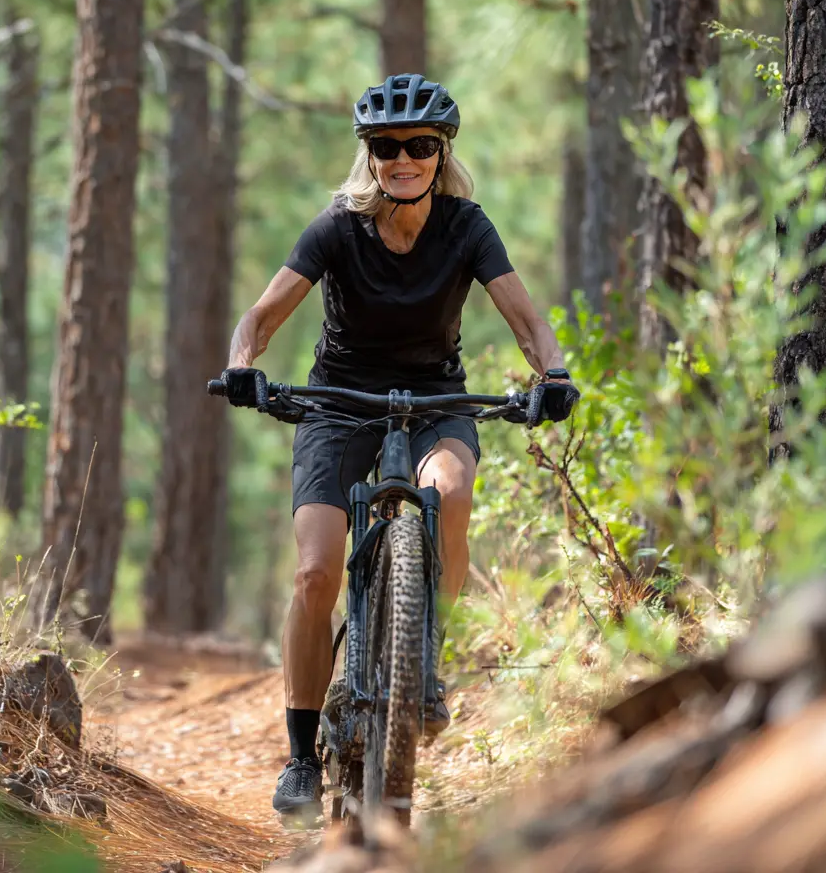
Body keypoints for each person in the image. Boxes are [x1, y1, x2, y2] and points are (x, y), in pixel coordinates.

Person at [219, 73, 579, 817]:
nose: (403, 159)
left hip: (437, 402)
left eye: (420, 145)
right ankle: (299, 756)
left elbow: (526, 318)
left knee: (448, 491)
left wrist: (553, 370)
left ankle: (420, 662)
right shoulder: (336, 228)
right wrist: (241, 367)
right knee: (316, 571)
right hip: (338, 404)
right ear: (371, 156)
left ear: (442, 153)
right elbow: (259, 316)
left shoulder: (466, 226)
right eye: (388, 147)